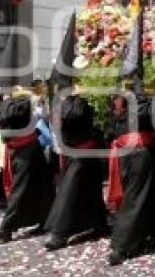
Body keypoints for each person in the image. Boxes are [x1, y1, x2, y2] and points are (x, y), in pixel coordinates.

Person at [107, 0, 155, 266]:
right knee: (136, 197)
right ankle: (122, 245)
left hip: (130, 150)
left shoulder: (116, 98)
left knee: (149, 191)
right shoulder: (139, 101)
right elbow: (152, 118)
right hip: (137, 152)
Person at [43, 95, 108, 251]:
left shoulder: (76, 110)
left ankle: (60, 234)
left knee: (70, 194)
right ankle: (98, 224)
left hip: (82, 156)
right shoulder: (73, 109)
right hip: (81, 154)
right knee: (90, 193)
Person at [0, 94, 55, 242]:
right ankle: (44, 220)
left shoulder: (16, 113)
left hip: (26, 151)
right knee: (40, 188)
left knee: (21, 189)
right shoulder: (18, 113)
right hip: (26, 148)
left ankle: (6, 228)